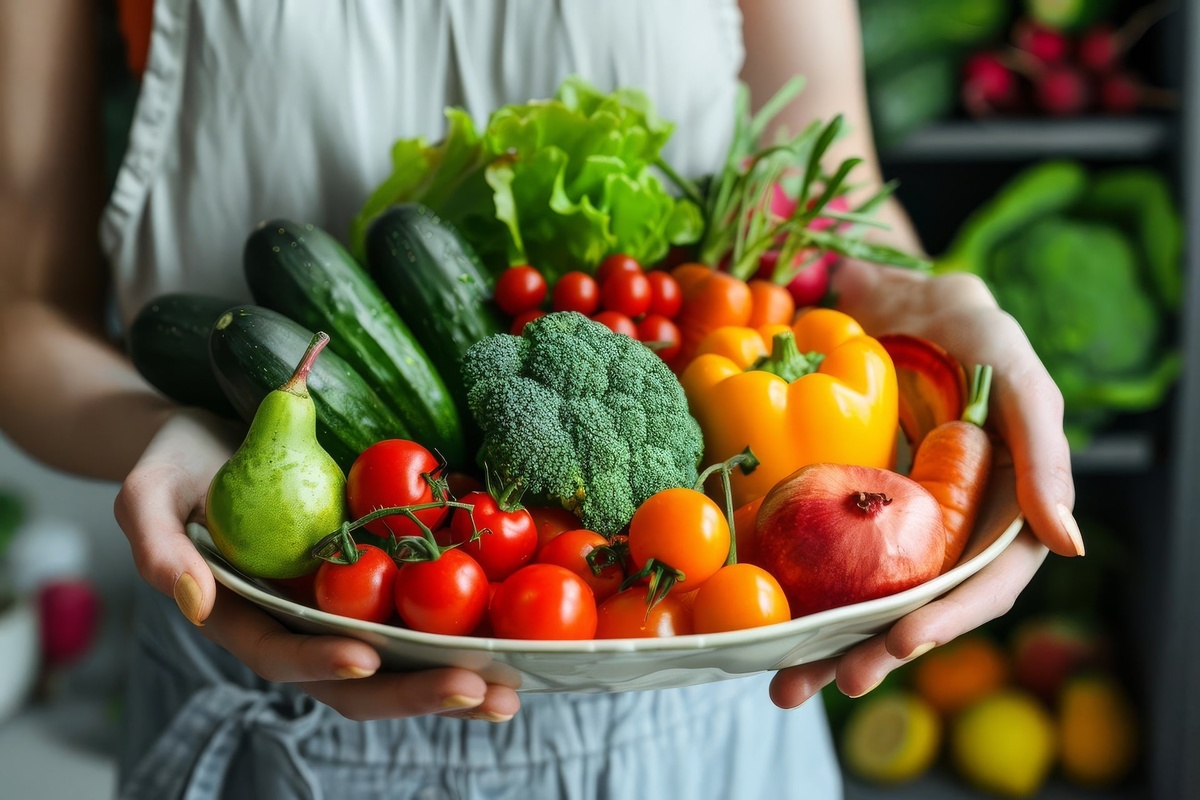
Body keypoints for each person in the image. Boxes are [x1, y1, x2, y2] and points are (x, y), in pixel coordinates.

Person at [0, 0, 1084, 797]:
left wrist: (932, 304)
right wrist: (176, 431)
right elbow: (22, 310)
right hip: (276, 650)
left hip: (698, 668)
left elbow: (830, 190)